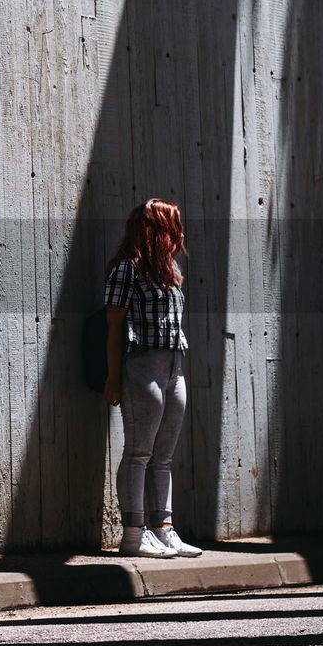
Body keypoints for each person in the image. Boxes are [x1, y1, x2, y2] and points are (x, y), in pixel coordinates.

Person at [103, 198, 202, 558]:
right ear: (155, 229)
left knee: (163, 455)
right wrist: (114, 377)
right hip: (142, 365)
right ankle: (134, 534)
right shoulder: (127, 269)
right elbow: (113, 327)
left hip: (174, 366)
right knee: (139, 451)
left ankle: (163, 529)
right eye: (172, 226)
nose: (178, 234)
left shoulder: (170, 271)